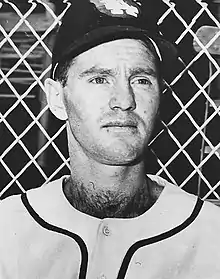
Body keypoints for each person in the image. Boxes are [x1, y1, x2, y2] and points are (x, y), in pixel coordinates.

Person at [1, 0, 220, 278]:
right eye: (99, 79)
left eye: (142, 80)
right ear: (57, 98)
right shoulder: (7, 231)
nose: (124, 100)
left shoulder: (212, 236)